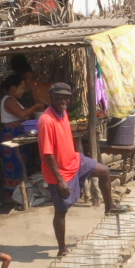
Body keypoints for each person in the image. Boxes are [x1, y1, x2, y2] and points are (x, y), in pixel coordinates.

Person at [39, 81, 125, 258]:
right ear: (51, 98)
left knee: (104, 171)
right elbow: (48, 154)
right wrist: (61, 180)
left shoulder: (63, 113)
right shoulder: (46, 120)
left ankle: (109, 207)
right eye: (59, 98)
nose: (63, 101)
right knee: (61, 211)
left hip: (74, 161)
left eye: (66, 98)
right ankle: (62, 249)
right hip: (59, 172)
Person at [0, 71, 40, 203]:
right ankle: (9, 196)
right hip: (11, 136)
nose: (23, 91)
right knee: (14, 166)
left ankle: (18, 194)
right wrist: (36, 106)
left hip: (16, 134)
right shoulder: (8, 100)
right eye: (21, 88)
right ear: (13, 88)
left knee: (20, 165)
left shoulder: (13, 100)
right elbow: (21, 114)